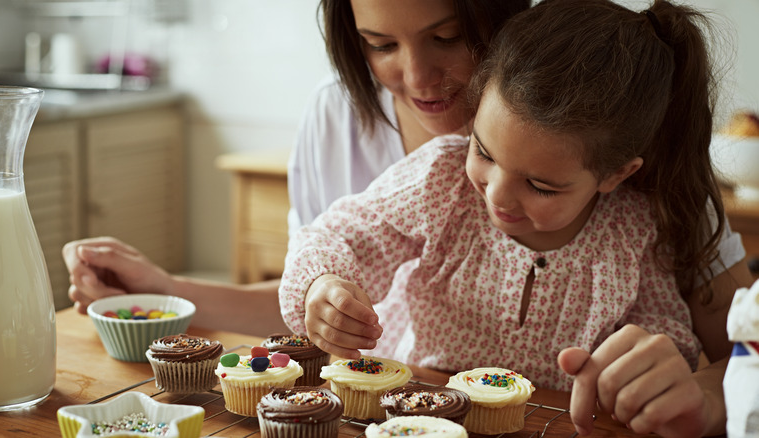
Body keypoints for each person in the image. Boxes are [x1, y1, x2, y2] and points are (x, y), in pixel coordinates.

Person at [278, 1, 754, 436]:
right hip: (412, 419)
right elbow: (338, 235)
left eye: (541, 185)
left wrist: (652, 377)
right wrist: (322, 284)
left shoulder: (639, 231)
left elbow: (671, 334)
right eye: (483, 151)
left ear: (615, 173)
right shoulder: (439, 180)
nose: (497, 194)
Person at [61, 0, 532, 335]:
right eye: (381, 44)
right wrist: (164, 292)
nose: (416, 77)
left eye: (446, 38)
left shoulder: (556, 133)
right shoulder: (335, 115)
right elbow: (307, 303)